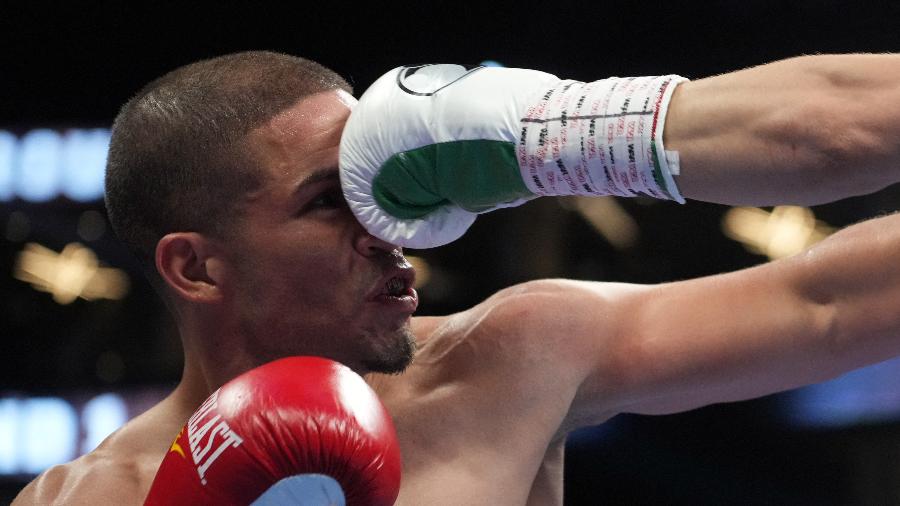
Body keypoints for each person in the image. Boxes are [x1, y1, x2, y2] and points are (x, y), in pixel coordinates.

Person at [12, 50, 900, 505]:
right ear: (195, 267)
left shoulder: (504, 365)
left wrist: (569, 134)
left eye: (387, 188)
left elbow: (829, 302)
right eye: (331, 200)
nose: (389, 230)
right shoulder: (84, 500)